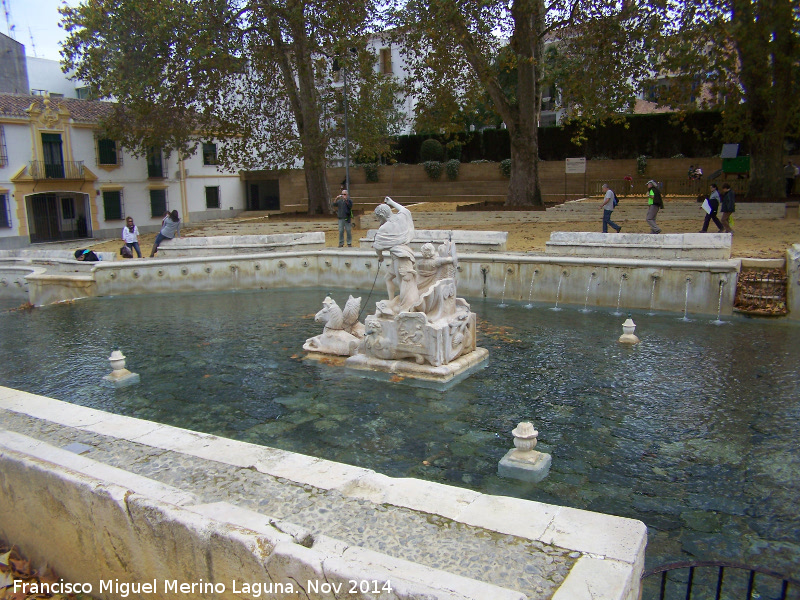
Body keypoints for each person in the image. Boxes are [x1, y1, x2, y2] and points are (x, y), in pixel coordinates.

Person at [373, 196, 419, 315]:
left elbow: (378, 246)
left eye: (378, 218)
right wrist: (392, 202)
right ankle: (391, 301)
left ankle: (405, 306)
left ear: (381, 216)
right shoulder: (401, 218)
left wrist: (380, 257)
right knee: (388, 278)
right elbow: (405, 210)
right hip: (399, 255)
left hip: (401, 257)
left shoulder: (384, 228)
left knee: (402, 283)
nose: (378, 220)